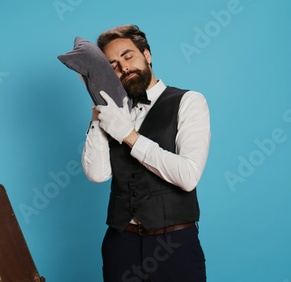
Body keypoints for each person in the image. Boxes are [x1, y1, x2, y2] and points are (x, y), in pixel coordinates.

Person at [82, 24, 211, 281]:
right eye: (113, 65)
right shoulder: (113, 112)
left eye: (128, 56)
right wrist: (98, 111)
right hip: (120, 243)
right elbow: (97, 174)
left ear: (147, 54)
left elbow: (188, 176)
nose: (123, 67)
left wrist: (129, 136)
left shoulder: (189, 101)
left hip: (174, 244)